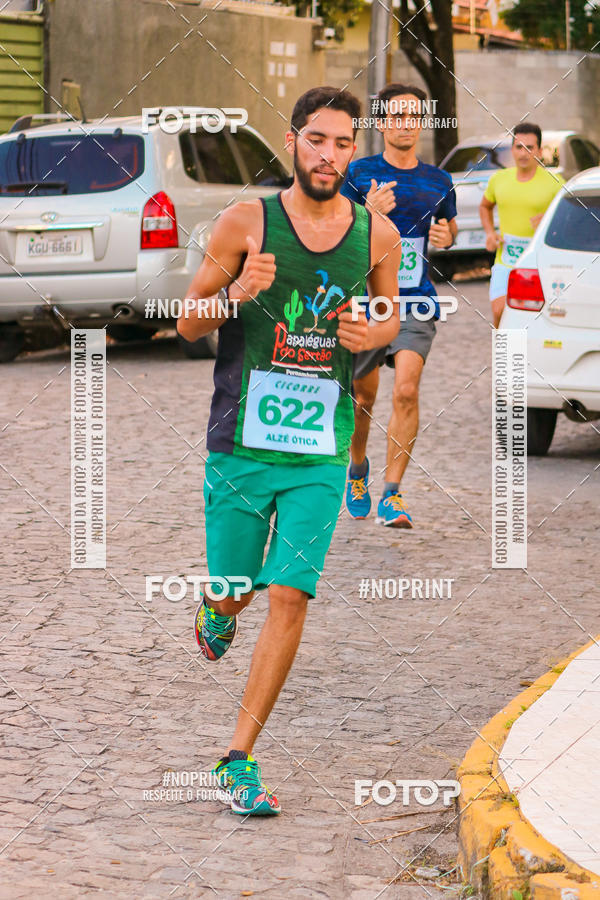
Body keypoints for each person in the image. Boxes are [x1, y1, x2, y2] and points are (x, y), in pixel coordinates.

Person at [177, 86, 402, 816]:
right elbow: (186, 321)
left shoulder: (377, 236)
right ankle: (219, 605)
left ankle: (238, 757)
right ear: (294, 141)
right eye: (316, 140)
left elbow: (390, 314)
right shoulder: (247, 221)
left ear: (353, 151)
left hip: (321, 449)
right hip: (241, 443)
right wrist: (238, 293)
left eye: (342, 143)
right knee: (238, 588)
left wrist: (375, 332)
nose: (328, 155)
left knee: (289, 593)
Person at [341, 83, 457, 528]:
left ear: (422, 122)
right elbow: (335, 234)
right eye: (396, 116)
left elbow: (446, 230)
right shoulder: (359, 174)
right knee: (363, 397)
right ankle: (357, 470)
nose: (405, 124)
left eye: (413, 116)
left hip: (415, 302)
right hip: (367, 302)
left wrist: (446, 237)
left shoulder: (439, 181)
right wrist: (366, 212)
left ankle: (392, 494)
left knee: (406, 390)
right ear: (381, 122)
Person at [480, 122, 565, 328]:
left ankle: (525, 349)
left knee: (535, 319)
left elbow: (568, 221)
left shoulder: (556, 182)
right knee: (500, 311)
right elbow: (485, 206)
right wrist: (490, 233)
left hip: (539, 264)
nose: (524, 153)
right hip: (506, 260)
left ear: (539, 151)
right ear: (512, 149)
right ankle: (504, 349)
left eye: (530, 147)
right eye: (519, 147)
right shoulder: (499, 179)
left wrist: (549, 222)